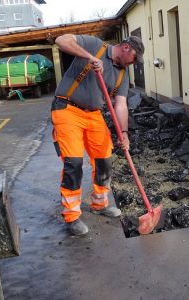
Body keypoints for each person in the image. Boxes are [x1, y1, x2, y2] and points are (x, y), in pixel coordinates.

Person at [51, 34, 144, 235]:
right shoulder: (94, 45)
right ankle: (71, 215)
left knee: (104, 158)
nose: (135, 63)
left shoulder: (123, 74)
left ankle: (100, 204)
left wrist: (124, 133)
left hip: (94, 114)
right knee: (73, 163)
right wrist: (90, 57)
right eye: (135, 58)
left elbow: (120, 105)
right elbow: (61, 40)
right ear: (126, 48)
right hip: (67, 108)